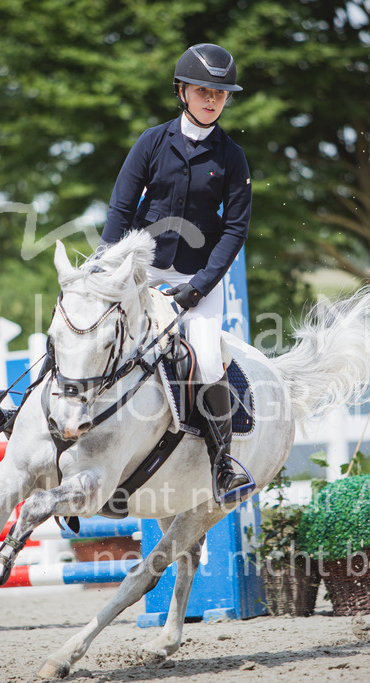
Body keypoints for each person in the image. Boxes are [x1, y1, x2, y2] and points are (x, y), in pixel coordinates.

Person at [98, 43, 253, 504]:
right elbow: (121, 209)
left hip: (197, 279)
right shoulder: (151, 141)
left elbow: (235, 229)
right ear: (182, 91)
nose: (212, 100)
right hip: (143, 271)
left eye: (220, 94)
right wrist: (109, 269)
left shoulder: (232, 157)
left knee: (206, 358)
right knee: (100, 336)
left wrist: (199, 286)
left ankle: (222, 465)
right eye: (203, 90)